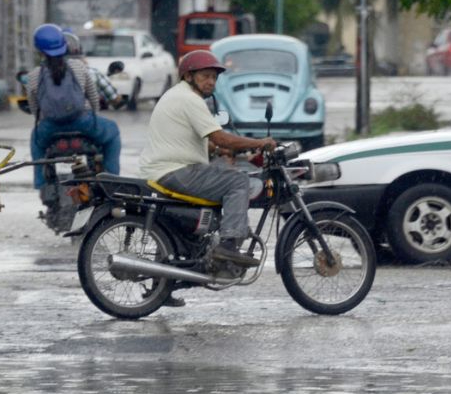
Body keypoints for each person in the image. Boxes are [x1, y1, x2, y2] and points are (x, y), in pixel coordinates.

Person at [141, 49, 276, 278]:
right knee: (237, 181)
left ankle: (165, 282)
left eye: (214, 77)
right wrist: (260, 142)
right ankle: (228, 245)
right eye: (205, 76)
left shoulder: (177, 95)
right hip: (175, 170)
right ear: (188, 76)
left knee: (221, 174)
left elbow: (203, 142)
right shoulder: (189, 99)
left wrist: (228, 151)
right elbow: (219, 137)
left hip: (165, 169)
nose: (210, 82)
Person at [27, 23, 121, 189]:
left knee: (36, 141)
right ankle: (112, 181)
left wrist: (46, 122)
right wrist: (94, 117)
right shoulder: (78, 67)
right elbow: (92, 97)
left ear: (39, 51)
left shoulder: (34, 76)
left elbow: (35, 109)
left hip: (51, 128)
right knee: (113, 133)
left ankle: (41, 185)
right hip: (83, 122)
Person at [63, 30, 126, 109]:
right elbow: (116, 100)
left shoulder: (45, 72)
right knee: (110, 122)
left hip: (52, 118)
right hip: (84, 117)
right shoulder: (92, 73)